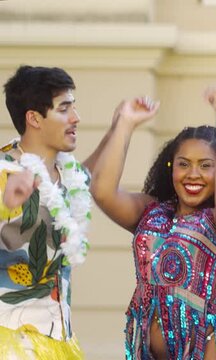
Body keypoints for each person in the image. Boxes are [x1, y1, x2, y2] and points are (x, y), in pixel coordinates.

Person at [89, 85, 216, 359]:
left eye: (206, 166)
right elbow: (102, 191)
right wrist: (125, 124)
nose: (192, 174)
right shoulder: (151, 211)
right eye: (183, 164)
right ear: (170, 167)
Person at [0, 65, 116, 358]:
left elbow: (91, 175)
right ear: (34, 118)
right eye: (64, 109)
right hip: (10, 342)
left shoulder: (68, 175)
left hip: (60, 342)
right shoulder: (4, 170)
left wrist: (121, 127)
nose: (76, 118)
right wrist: (6, 203)